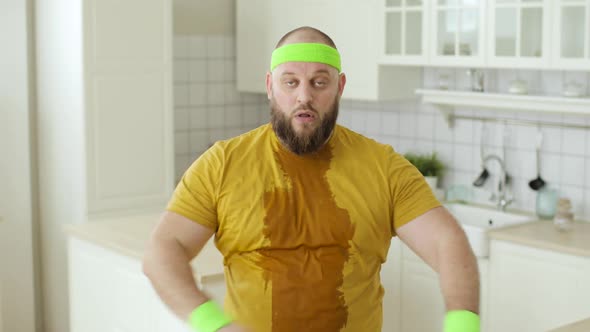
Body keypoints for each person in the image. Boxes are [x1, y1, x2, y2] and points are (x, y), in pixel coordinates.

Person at [143, 26, 480, 332]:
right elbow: (162, 250)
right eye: (290, 82)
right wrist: (213, 324)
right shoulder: (222, 164)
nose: (304, 96)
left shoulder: (384, 167)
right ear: (270, 86)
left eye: (319, 82)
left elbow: (446, 242)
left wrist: (462, 326)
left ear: (339, 87)